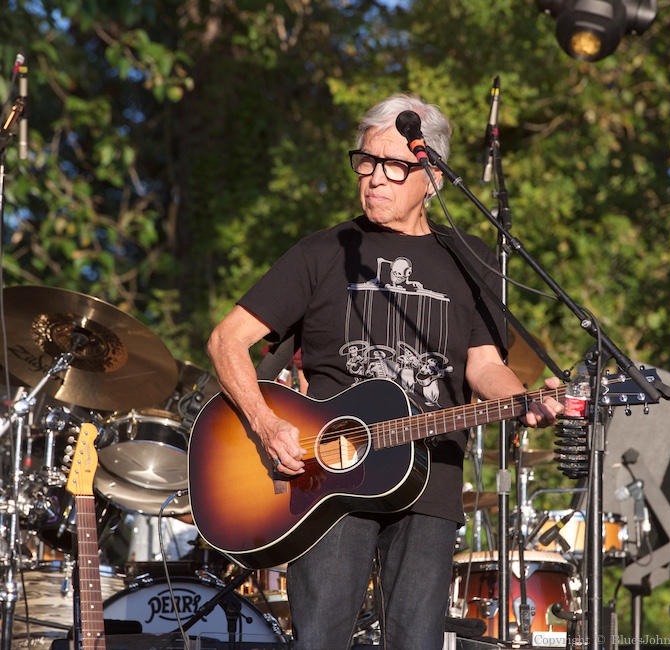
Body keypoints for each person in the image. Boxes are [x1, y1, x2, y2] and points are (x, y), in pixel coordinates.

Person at [206, 93, 564, 650]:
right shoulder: (324, 251)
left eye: (394, 166)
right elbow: (228, 340)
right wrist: (264, 422)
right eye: (366, 162)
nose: (374, 178)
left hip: (431, 474)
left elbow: (486, 365)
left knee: (416, 642)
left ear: (434, 177)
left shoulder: (472, 262)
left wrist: (525, 402)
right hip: (327, 477)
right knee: (321, 639)